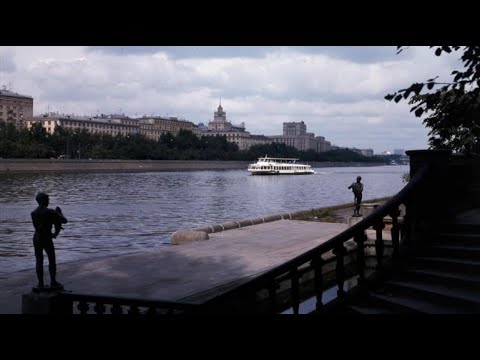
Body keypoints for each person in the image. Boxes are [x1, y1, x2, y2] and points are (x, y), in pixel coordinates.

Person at [31, 192, 68, 290]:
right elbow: (64, 220)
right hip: (46, 238)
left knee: (39, 261)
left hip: (36, 238)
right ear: (43, 200)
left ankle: (40, 284)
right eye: (48, 199)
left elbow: (38, 228)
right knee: (51, 259)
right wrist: (59, 213)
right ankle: (53, 282)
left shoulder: (33, 213)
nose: (49, 201)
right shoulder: (50, 212)